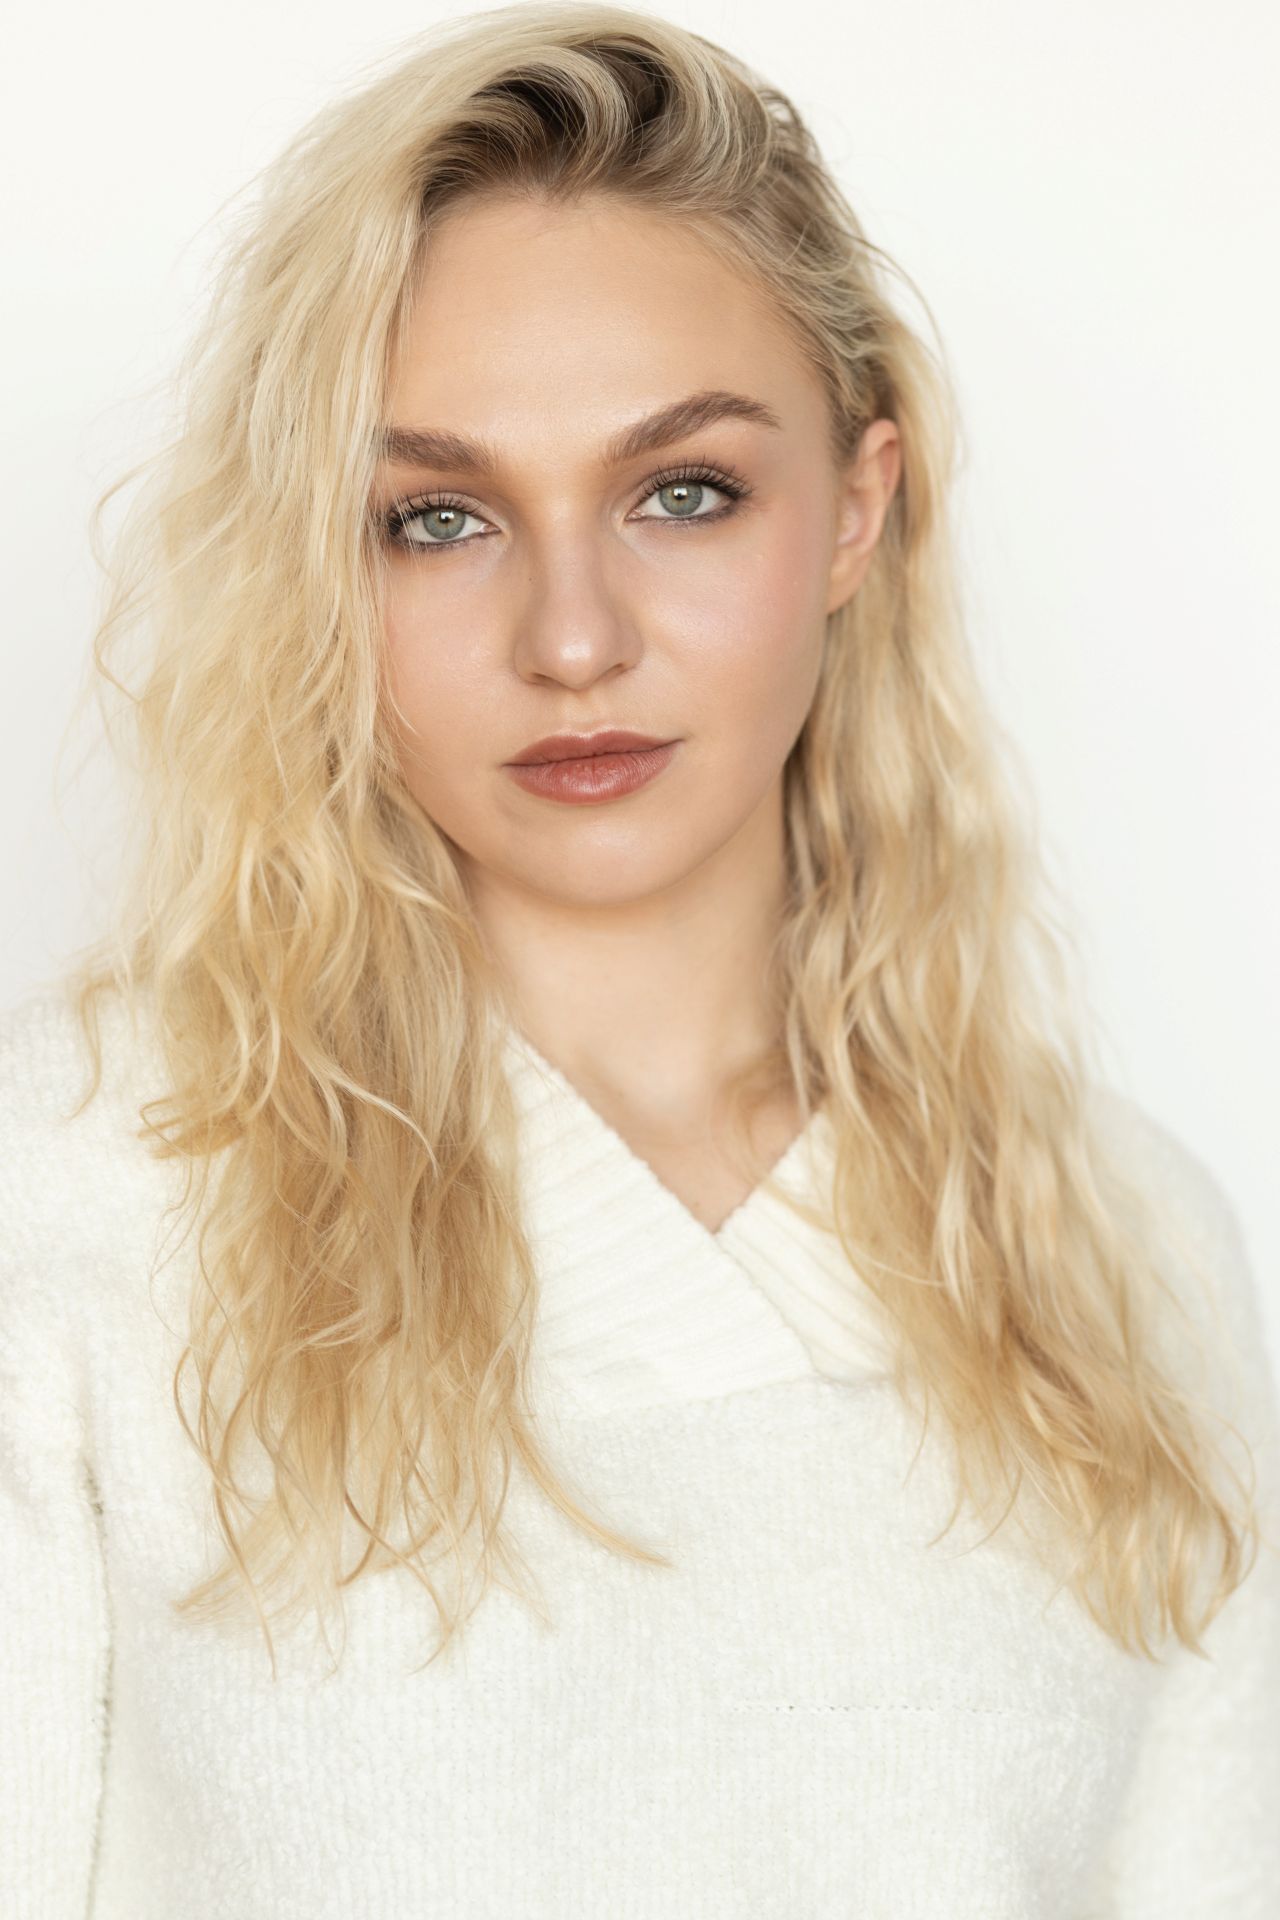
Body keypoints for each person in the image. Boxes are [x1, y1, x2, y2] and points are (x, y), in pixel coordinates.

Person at [2, 5, 1276, 1914]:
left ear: (856, 509)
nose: (574, 636)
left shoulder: (1123, 1252)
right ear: (318, 564)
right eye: (437, 519)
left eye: (684, 491)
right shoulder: (76, 1194)